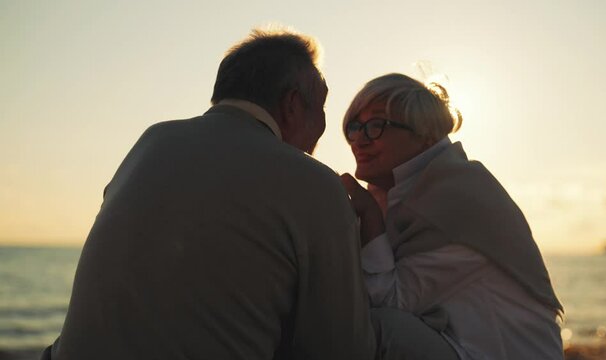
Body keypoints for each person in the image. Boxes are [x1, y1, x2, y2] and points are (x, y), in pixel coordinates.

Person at [40, 28, 376, 360]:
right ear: (291, 105)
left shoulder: (152, 143)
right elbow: (345, 349)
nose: (322, 127)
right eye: (321, 108)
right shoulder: (315, 183)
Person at [340, 73, 564, 360]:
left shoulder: (459, 197)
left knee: (379, 330)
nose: (359, 139)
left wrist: (369, 215)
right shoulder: (403, 192)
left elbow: (389, 300)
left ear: (424, 133)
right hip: (461, 346)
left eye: (375, 126)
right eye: (354, 127)